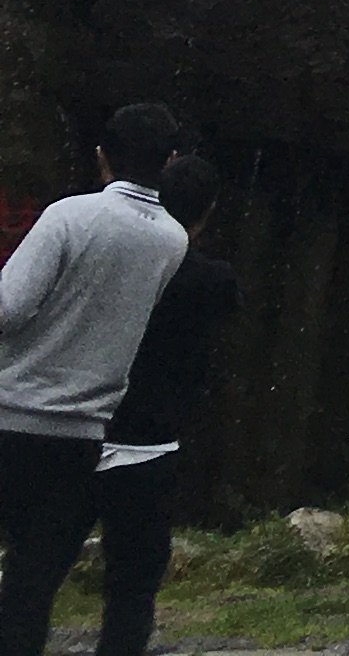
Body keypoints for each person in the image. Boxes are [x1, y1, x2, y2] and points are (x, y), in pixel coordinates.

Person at [0, 107, 192, 656]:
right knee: (31, 586)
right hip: (81, 435)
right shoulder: (172, 239)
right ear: (171, 162)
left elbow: (9, 309)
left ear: (101, 155)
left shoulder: (70, 216)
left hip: (10, 412)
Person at [91, 153, 234, 656]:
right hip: (151, 440)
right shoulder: (211, 278)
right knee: (133, 586)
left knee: (36, 570)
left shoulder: (106, 252)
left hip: (76, 427)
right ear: (210, 209)